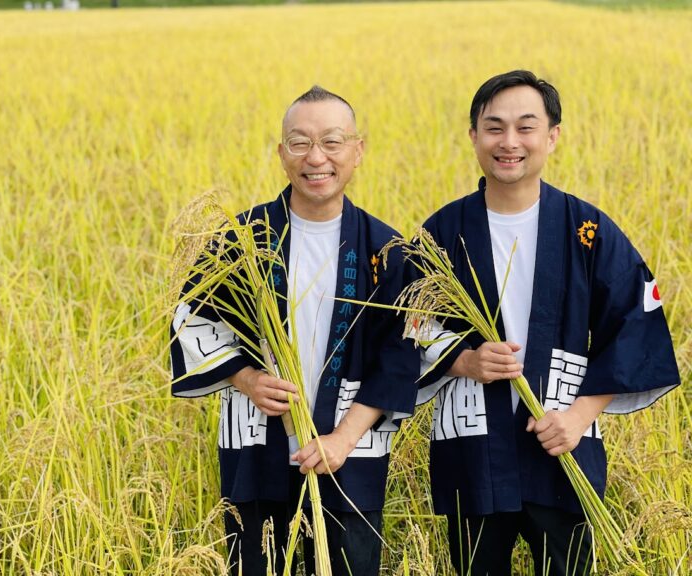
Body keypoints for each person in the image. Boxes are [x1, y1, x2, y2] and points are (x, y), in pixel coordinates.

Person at [416, 70, 680, 576]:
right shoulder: (442, 232)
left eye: (526, 127)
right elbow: (407, 327)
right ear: (473, 135)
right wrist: (462, 359)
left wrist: (580, 417)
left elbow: (634, 325)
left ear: (552, 136)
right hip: (475, 449)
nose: (509, 142)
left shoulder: (589, 231)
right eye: (494, 127)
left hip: (562, 444)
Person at [170, 85, 419, 576]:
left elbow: (401, 355)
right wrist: (246, 379)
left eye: (332, 141)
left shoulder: (386, 250)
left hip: (351, 450)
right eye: (300, 142)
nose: (316, 157)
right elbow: (192, 319)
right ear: (281, 153)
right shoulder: (242, 239)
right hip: (258, 448)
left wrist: (344, 438)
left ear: (358, 149)